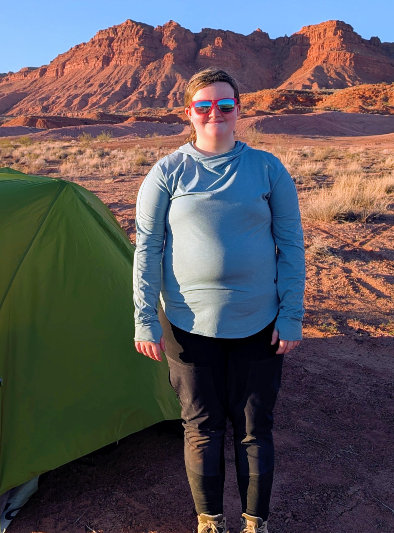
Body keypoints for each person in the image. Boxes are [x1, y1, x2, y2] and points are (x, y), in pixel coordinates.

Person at [133, 68, 305, 533]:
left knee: (254, 429)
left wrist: (291, 316)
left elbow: (291, 246)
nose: (215, 114)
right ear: (189, 113)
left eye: (225, 106)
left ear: (239, 110)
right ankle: (209, 520)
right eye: (204, 106)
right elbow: (147, 248)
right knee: (202, 427)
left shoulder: (268, 168)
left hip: (259, 322)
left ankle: (255, 522)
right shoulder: (168, 171)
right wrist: (144, 318)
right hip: (188, 325)